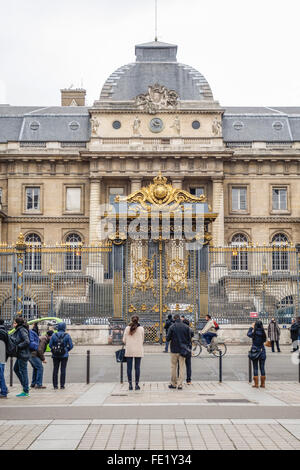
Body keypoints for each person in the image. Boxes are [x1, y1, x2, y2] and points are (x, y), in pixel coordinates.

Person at [166, 313, 191, 390]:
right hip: (183, 350)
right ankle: (180, 384)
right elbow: (189, 339)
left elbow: (167, 339)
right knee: (182, 367)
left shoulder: (172, 327)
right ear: (180, 318)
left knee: (173, 367)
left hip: (174, 349)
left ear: (174, 319)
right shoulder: (186, 327)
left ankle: (173, 383)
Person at [49, 322, 73, 390]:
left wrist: (54, 349)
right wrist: (66, 350)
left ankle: (55, 385)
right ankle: (62, 385)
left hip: (55, 355)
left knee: (55, 370)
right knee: (63, 370)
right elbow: (71, 346)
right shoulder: (67, 335)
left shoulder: (54, 335)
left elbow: (50, 345)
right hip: (64, 355)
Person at [123, 315, 144, 391]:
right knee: (137, 368)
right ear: (138, 320)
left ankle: (130, 385)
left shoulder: (127, 328)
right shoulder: (141, 329)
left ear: (131, 320)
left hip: (129, 350)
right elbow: (142, 340)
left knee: (129, 368)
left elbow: (124, 340)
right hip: (138, 350)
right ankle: (137, 385)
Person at [11, 316, 30, 397]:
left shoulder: (21, 330)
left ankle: (26, 390)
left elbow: (27, 341)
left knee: (23, 371)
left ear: (18, 324)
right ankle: (25, 386)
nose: (13, 324)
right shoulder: (19, 330)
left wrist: (18, 346)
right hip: (20, 354)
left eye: (14, 323)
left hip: (23, 354)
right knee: (16, 369)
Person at [247, 320, 267, 388]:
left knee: (255, 367)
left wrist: (251, 327)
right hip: (262, 350)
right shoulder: (263, 333)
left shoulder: (254, 333)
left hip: (255, 351)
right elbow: (264, 340)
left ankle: (256, 384)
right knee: (262, 367)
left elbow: (248, 334)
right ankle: (263, 384)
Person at [183, 318, 194, 384]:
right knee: (188, 365)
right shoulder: (191, 330)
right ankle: (189, 380)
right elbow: (192, 336)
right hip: (188, 348)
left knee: (180, 365)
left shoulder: (181, 329)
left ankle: (179, 378)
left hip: (182, 348)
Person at [0, 319, 8, 398]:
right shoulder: (5, 331)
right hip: (3, 355)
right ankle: (4, 389)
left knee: (0, 375)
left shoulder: (1, 332)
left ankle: (3, 391)